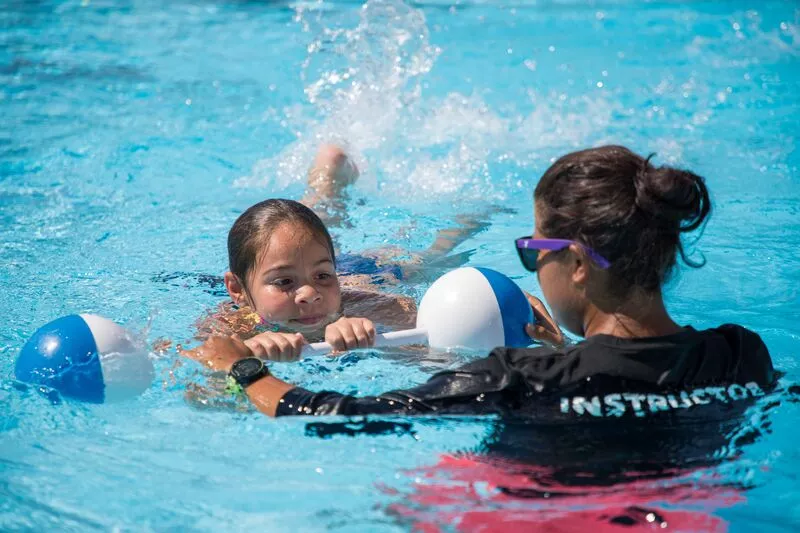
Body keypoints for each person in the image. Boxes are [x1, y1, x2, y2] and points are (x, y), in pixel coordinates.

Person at [184, 145, 777, 418]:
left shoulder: (519, 377)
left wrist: (242, 368)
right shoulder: (742, 354)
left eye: (532, 249)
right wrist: (569, 350)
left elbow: (340, 412)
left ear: (573, 263)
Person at [191, 143, 499, 361]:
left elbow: (435, 346)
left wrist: (373, 333)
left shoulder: (367, 307)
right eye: (284, 282)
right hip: (324, 268)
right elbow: (196, 384)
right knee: (296, 235)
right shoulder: (229, 329)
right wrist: (244, 358)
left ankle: (470, 219)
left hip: (370, 275)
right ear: (237, 289)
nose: (310, 295)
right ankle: (326, 188)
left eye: (324, 276)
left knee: (430, 257)